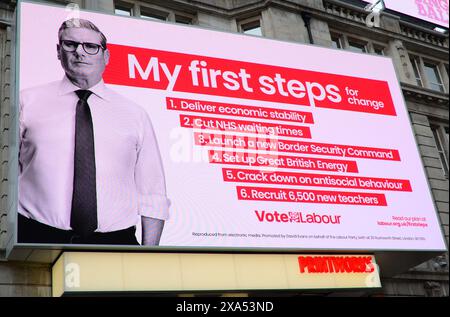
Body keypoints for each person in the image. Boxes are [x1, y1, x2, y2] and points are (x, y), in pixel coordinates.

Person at [18, 18, 170, 245]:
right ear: (59, 52)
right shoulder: (25, 101)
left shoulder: (134, 113)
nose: (80, 52)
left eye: (90, 47)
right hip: (34, 235)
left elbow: (152, 191)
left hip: (116, 242)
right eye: (70, 44)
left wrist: (148, 256)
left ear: (106, 57)